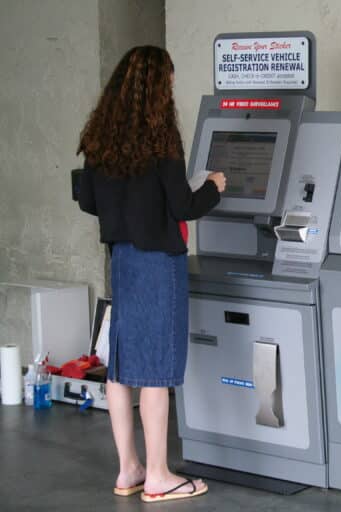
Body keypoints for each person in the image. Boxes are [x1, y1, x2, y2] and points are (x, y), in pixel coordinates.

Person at [77, 46, 226, 503]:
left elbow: (88, 199)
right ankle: (159, 476)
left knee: (121, 367)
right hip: (158, 263)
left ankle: (130, 470)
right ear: (160, 87)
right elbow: (182, 206)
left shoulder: (102, 136)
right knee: (157, 371)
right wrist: (213, 189)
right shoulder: (162, 138)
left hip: (121, 258)